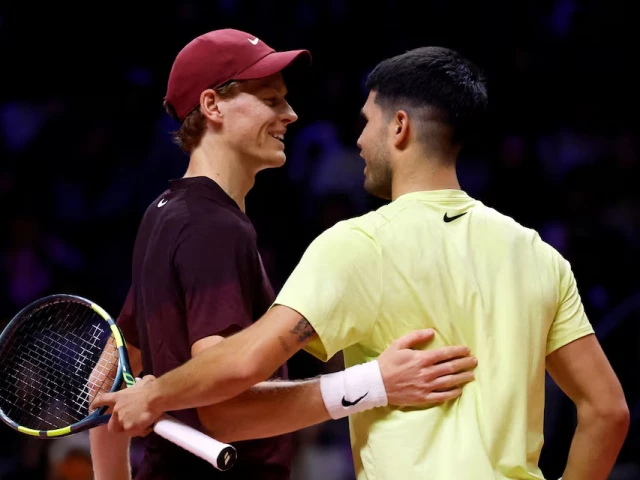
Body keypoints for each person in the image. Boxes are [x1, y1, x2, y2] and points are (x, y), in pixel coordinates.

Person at [95, 44, 630, 480]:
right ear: (211, 107)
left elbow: (215, 373)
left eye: (366, 122)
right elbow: (608, 412)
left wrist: (156, 393)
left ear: (399, 127)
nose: (356, 138)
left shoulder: (355, 243)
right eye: (272, 99)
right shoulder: (539, 255)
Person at [89, 31, 480, 480]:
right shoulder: (213, 227)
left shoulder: (163, 214)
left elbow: (105, 384)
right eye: (271, 100)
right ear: (213, 106)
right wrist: (375, 384)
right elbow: (227, 408)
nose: (290, 115)